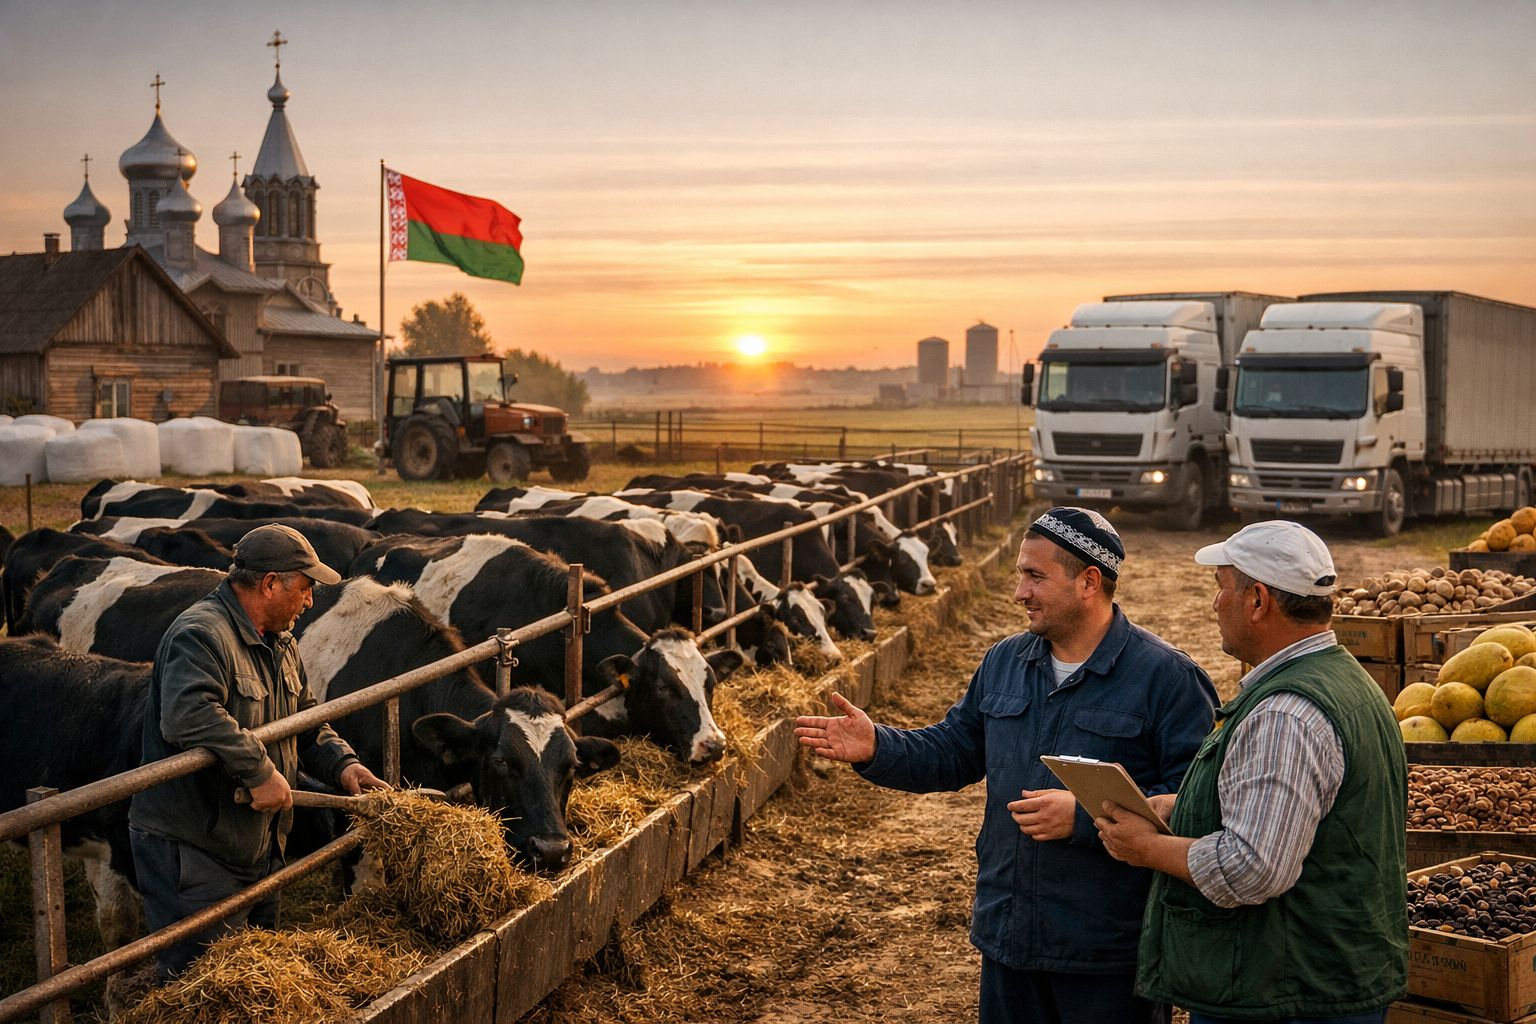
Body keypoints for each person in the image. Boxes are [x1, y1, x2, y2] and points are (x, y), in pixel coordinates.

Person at [795, 507, 1218, 1024]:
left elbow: (1196, 803)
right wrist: (878, 746)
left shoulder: (1167, 679)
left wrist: (1084, 819)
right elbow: (953, 751)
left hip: (1107, 949)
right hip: (1008, 932)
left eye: (1035, 576)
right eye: (1021, 574)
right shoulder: (1006, 661)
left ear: (1089, 582)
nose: (1019, 592)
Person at [1096, 520, 1408, 1024]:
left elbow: (1253, 868)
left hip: (1284, 992)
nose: (1214, 605)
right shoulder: (1345, 679)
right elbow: (1306, 811)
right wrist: (1184, 805)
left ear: (1258, 600)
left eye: (1220, 589)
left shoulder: (1284, 712)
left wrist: (1145, 848)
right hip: (1323, 978)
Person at [128, 524, 390, 979]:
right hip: (197, 849)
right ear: (270, 584)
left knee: (257, 978)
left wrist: (345, 765)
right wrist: (259, 771)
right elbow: (187, 713)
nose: (310, 602)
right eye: (305, 588)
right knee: (202, 984)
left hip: (258, 844)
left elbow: (306, 720)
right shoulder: (201, 634)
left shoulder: (281, 642)